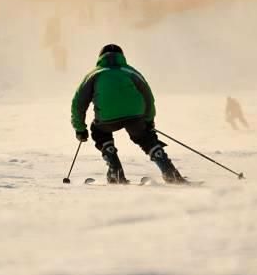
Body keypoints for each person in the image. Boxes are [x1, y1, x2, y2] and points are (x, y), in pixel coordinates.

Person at [71, 44, 187, 184]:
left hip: (106, 119)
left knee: (99, 132)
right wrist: (149, 121)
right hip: (135, 116)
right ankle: (170, 173)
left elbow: (78, 103)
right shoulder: (130, 71)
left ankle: (115, 171)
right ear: (122, 57)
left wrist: (80, 129)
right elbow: (148, 97)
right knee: (146, 138)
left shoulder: (94, 74)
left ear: (100, 57)